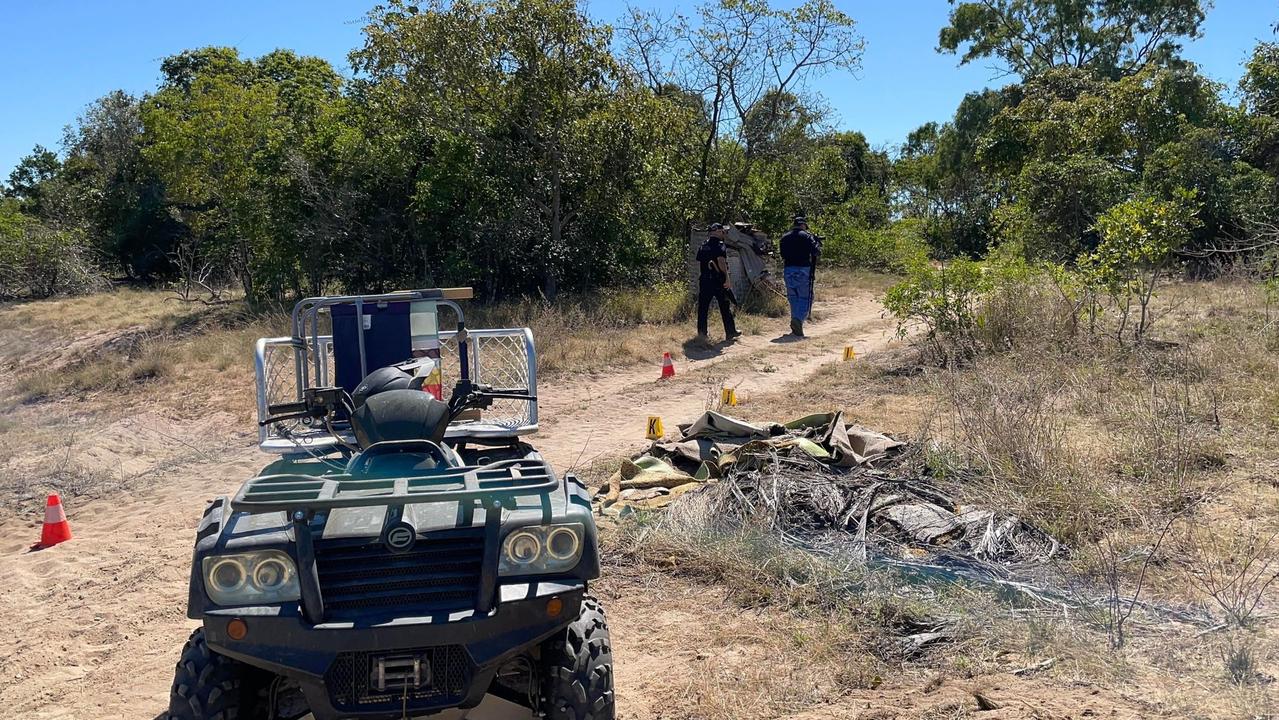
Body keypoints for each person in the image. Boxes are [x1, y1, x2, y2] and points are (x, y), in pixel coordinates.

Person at [696, 223, 741, 342]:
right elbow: (721, 261)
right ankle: (730, 332)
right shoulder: (720, 245)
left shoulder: (703, 245)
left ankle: (702, 334)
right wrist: (727, 278)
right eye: (723, 232)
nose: (724, 234)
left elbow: (700, 261)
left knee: (703, 308)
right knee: (725, 306)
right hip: (718, 280)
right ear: (717, 231)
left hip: (705, 280)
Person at [779, 215, 820, 337]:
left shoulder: (784, 237)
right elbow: (816, 252)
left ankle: (795, 325)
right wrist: (816, 242)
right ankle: (797, 319)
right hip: (803, 269)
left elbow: (782, 254)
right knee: (805, 297)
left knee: (793, 297)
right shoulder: (807, 237)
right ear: (803, 225)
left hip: (788, 269)